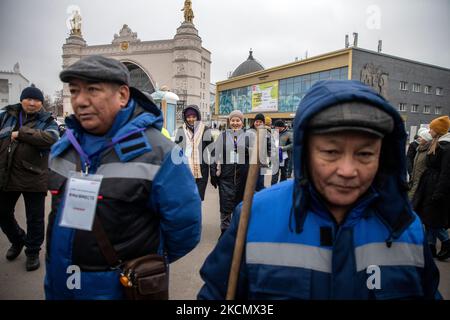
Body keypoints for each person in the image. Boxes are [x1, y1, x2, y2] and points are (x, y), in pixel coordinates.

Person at [198, 80, 441, 299]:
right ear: (306, 152)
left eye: (365, 153)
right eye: (331, 152)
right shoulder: (253, 218)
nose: (347, 170)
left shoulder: (407, 229)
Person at [45, 55, 201, 299]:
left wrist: (147, 266)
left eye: (92, 90)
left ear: (123, 95)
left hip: (122, 288)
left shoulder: (161, 153)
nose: (80, 101)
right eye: (74, 91)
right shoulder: (64, 147)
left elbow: (185, 229)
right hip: (60, 285)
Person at [0, 86, 59, 271]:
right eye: (29, 99)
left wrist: (21, 134)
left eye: (36, 100)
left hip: (35, 176)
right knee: (2, 213)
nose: (32, 103)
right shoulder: (6, 115)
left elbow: (51, 138)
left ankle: (32, 252)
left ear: (41, 103)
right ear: (21, 99)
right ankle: (18, 240)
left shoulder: (48, 120)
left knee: (35, 219)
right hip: (7, 175)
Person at [413, 115, 450, 261]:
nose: (429, 130)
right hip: (428, 187)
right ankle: (430, 248)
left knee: (433, 221)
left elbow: (446, 173)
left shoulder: (446, 148)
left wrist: (438, 192)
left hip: (435, 189)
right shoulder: (436, 143)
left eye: (432, 128)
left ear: (438, 130)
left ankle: (446, 244)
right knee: (428, 220)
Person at [210, 110, 252, 236]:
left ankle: (238, 230)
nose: (235, 123)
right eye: (233, 120)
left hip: (243, 177)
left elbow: (256, 156)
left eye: (237, 120)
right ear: (229, 122)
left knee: (240, 205)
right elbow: (214, 154)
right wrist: (213, 173)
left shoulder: (248, 137)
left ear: (242, 122)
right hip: (226, 177)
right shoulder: (222, 136)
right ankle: (224, 231)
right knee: (225, 205)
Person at [174, 105, 214, 201]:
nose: (191, 119)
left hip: (202, 172)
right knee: (186, 199)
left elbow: (213, 150)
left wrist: (214, 171)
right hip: (185, 171)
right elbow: (176, 152)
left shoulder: (205, 130)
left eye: (193, 116)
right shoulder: (180, 130)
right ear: (185, 117)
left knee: (198, 199)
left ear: (198, 116)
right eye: (188, 117)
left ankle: (196, 216)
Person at [408, 128, 432, 201]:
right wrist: (411, 172)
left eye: (421, 137)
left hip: (421, 179)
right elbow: (409, 159)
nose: (419, 138)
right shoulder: (419, 149)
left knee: (414, 198)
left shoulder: (429, 150)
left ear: (426, 139)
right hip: (414, 177)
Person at [271, 119, 293, 185]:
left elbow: (292, 144)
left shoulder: (289, 134)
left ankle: (281, 188)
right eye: (275, 127)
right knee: (274, 174)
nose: (275, 128)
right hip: (275, 157)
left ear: (281, 127)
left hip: (285, 157)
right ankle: (273, 188)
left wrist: (283, 148)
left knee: (283, 174)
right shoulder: (274, 133)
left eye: (276, 127)